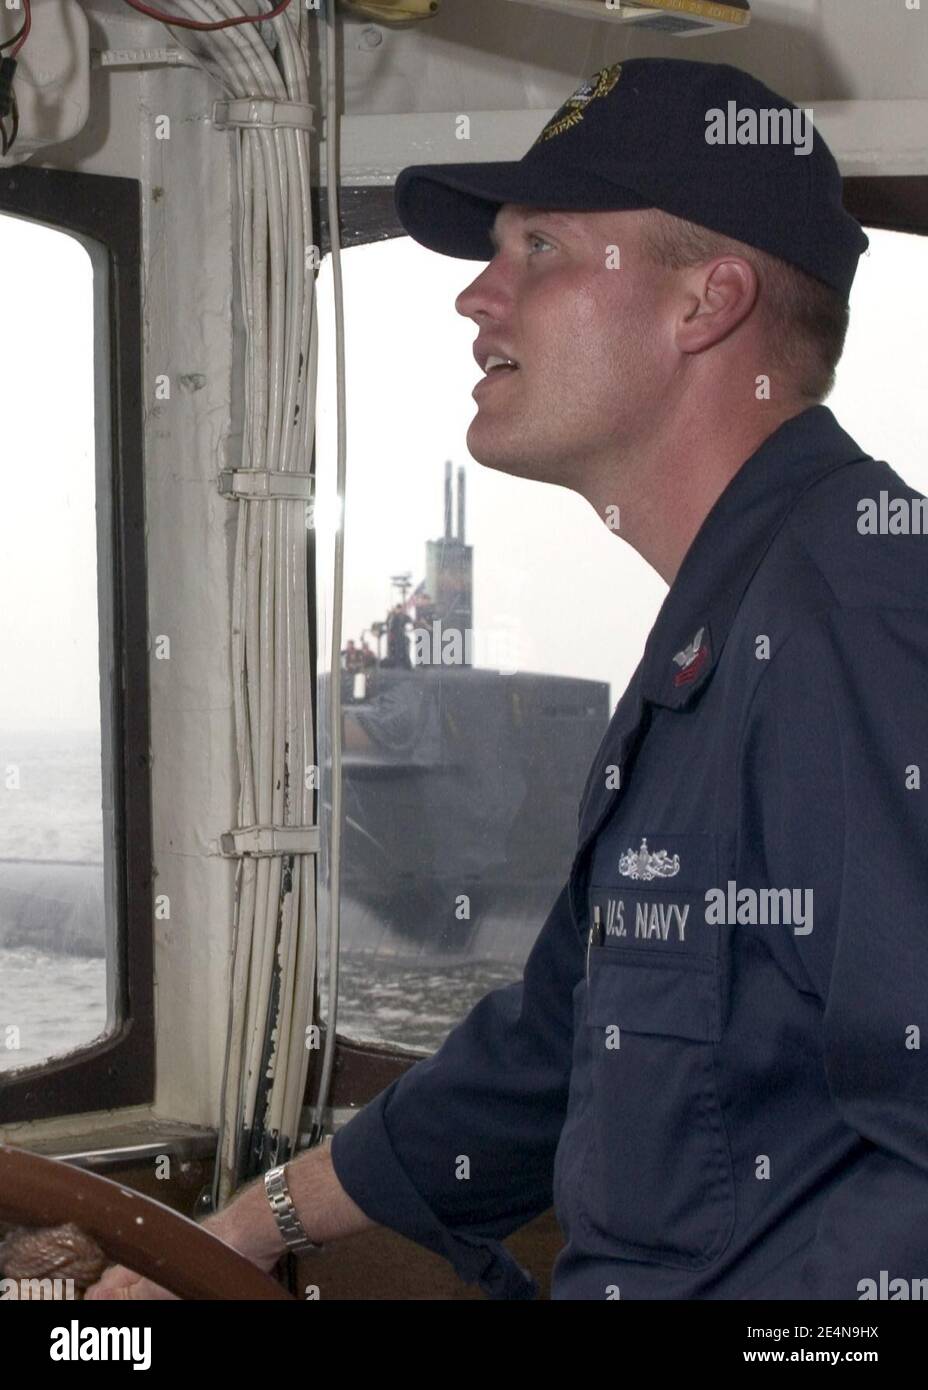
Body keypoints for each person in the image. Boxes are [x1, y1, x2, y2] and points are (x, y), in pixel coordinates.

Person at [87, 56, 928, 1302]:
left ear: (707, 303)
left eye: (539, 247)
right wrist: (244, 1231)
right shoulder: (727, 628)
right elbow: (546, 1056)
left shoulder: (861, 621)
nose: (478, 297)